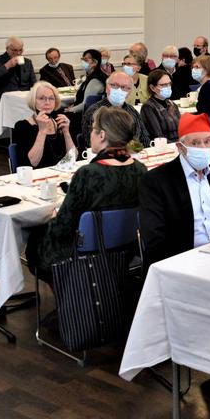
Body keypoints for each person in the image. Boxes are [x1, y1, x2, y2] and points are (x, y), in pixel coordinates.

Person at [25, 106, 146, 281]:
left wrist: (50, 220)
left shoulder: (88, 173)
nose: (90, 134)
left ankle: (66, 292)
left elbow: (64, 226)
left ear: (102, 135)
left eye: (93, 129)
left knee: (36, 238)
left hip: (86, 252)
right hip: (126, 248)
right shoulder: (141, 169)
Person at [138, 112, 210, 268]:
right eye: (195, 143)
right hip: (181, 261)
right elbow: (155, 240)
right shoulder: (156, 181)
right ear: (180, 148)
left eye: (207, 141)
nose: (203, 148)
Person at [80, 71, 151, 150]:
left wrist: (139, 151)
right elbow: (91, 144)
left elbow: (145, 139)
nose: (119, 90)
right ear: (106, 88)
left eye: (124, 87)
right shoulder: (94, 112)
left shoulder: (132, 111)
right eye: (114, 85)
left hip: (136, 154)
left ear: (129, 92)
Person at [13, 81, 75, 169]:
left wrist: (66, 132)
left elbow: (73, 158)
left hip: (62, 173)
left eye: (51, 98)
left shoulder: (60, 121)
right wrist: (42, 131)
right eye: (42, 98)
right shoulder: (22, 126)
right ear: (34, 101)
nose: (47, 102)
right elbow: (33, 163)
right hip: (37, 175)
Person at [0, 36, 37, 111]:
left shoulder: (27, 62)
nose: (18, 53)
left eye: (20, 50)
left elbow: (34, 82)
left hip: (24, 99)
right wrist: (7, 66)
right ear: (7, 49)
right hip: (5, 99)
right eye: (15, 50)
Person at [141, 69, 181, 143]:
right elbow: (158, 136)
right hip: (165, 146)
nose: (168, 87)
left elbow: (182, 128)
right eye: (164, 85)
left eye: (169, 84)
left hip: (179, 143)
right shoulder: (148, 107)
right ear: (152, 87)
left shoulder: (172, 104)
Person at [66, 49, 107, 116]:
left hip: (87, 115)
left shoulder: (96, 80)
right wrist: (73, 106)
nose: (83, 62)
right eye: (82, 59)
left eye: (86, 60)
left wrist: (70, 110)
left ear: (95, 63)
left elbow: (86, 104)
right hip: (83, 111)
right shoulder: (90, 76)